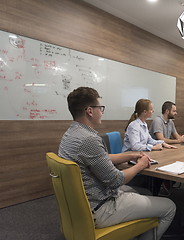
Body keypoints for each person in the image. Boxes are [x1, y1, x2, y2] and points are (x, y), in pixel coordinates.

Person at [58, 87, 176, 239]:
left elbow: (102, 157)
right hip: (100, 207)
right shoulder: (89, 139)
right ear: (89, 111)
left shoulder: (72, 134)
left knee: (145, 193)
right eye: (100, 108)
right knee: (169, 207)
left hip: (80, 204)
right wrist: (140, 164)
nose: (102, 111)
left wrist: (130, 155)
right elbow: (117, 180)